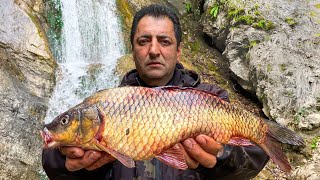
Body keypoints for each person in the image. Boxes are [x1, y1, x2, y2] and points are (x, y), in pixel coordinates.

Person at [42, 4, 269, 180]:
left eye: (164, 41)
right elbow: (53, 164)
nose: (153, 50)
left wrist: (221, 157)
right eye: (144, 41)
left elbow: (253, 162)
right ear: (132, 49)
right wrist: (64, 161)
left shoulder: (210, 99)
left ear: (178, 50)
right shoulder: (107, 103)